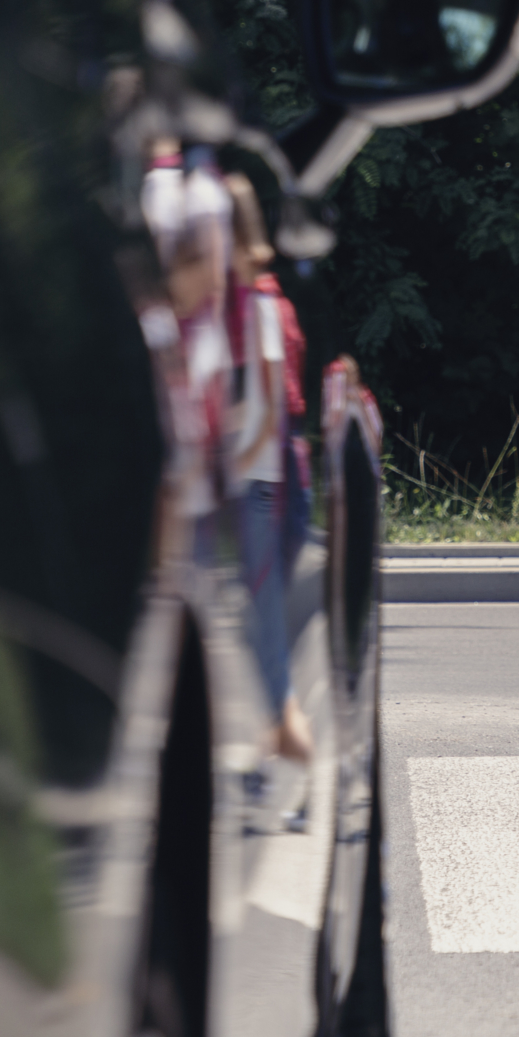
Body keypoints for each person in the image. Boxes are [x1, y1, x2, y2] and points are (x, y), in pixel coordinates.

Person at [224, 174, 314, 767]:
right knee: (260, 628)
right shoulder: (263, 300)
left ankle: (286, 752)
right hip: (276, 479)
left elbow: (267, 408)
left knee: (263, 632)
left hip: (260, 482)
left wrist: (219, 458)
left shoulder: (255, 306)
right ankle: (277, 749)